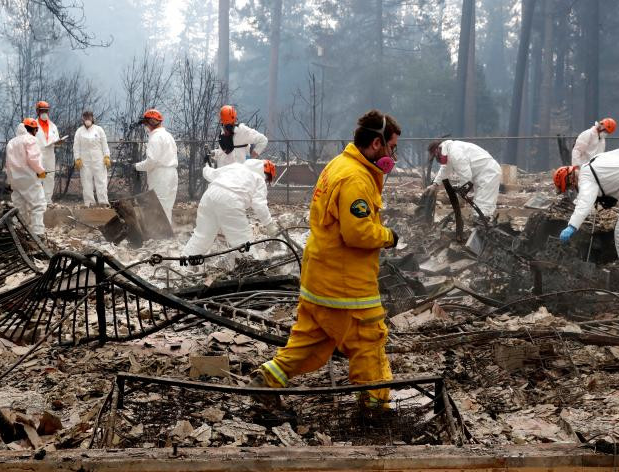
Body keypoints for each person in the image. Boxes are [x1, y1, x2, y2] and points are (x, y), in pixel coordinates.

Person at [249, 109, 401, 408]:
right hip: (346, 286)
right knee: (368, 342)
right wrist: (387, 236)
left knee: (311, 341)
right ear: (375, 144)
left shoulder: (338, 165)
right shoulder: (356, 178)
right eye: (391, 147)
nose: (393, 156)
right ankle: (375, 410)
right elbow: (357, 233)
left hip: (319, 279)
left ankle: (267, 380)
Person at [183, 159, 279, 256]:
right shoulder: (259, 179)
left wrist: (206, 166)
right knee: (243, 242)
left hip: (209, 196)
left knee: (202, 236)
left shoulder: (235, 166)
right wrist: (269, 225)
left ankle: (184, 264)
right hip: (231, 201)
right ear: (266, 174)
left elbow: (210, 174)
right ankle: (252, 266)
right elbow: (259, 205)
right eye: (268, 179)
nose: (266, 182)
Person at [429, 139, 501, 218]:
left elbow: (466, 176)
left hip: (488, 173)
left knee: (483, 206)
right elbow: (445, 169)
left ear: (438, 150)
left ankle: (482, 227)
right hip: (482, 174)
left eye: (436, 155)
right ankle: (481, 226)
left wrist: (460, 194)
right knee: (480, 205)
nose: (437, 158)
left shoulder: (455, 152)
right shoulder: (449, 151)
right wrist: (435, 184)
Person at [135, 109, 179, 225]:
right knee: (167, 207)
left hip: (161, 175)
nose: (145, 126)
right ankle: (167, 234)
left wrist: (136, 166)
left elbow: (151, 162)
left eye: (145, 123)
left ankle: (161, 236)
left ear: (151, 122)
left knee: (158, 206)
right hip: (172, 174)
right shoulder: (168, 135)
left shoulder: (155, 138)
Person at [5, 118, 47, 235]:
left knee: (19, 207)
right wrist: (41, 171)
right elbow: (33, 158)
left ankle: (19, 233)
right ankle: (38, 233)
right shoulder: (31, 140)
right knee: (38, 205)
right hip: (29, 178)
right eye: (36, 130)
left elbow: (8, 164)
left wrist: (9, 181)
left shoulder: (11, 142)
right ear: (33, 129)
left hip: (15, 180)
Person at [73, 111, 111, 207]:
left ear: (92, 118)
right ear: (83, 118)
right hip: (85, 162)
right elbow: (76, 146)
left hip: (99, 160)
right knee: (86, 183)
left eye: (89, 117)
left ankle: (103, 202)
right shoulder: (79, 131)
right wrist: (77, 158)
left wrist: (107, 156)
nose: (87, 119)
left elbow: (104, 144)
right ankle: (90, 203)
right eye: (85, 117)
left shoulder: (99, 130)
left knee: (101, 182)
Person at [34, 100, 62, 205]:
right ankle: (37, 200)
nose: (44, 113)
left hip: (50, 154)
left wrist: (58, 143)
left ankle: (47, 200)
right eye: (42, 111)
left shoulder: (53, 126)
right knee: (37, 177)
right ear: (37, 111)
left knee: (50, 177)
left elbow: (56, 139)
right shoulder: (34, 125)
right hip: (37, 154)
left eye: (46, 111)